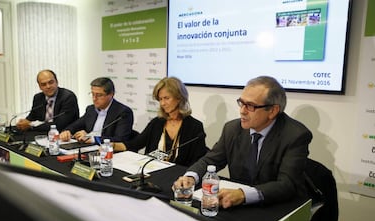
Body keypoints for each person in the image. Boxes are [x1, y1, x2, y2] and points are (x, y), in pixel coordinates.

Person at [173, 76, 313, 207]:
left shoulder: (295, 135)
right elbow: (210, 160)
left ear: (272, 111)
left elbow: (286, 185)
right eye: (241, 103)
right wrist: (190, 177)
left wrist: (243, 194)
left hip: (279, 205)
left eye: (250, 106)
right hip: (238, 206)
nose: (242, 111)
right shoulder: (232, 129)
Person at [113, 77, 208, 167]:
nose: (162, 103)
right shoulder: (157, 123)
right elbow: (135, 144)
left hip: (180, 176)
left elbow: (197, 161)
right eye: (160, 99)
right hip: (152, 172)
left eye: (166, 98)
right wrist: (110, 146)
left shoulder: (194, 126)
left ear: (179, 97)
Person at [59, 77, 134, 143]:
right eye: (92, 94)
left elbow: (121, 139)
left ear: (111, 94)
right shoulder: (91, 109)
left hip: (110, 153)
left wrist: (93, 139)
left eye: (99, 95)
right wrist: (67, 131)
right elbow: (75, 125)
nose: (94, 99)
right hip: (89, 149)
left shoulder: (123, 113)